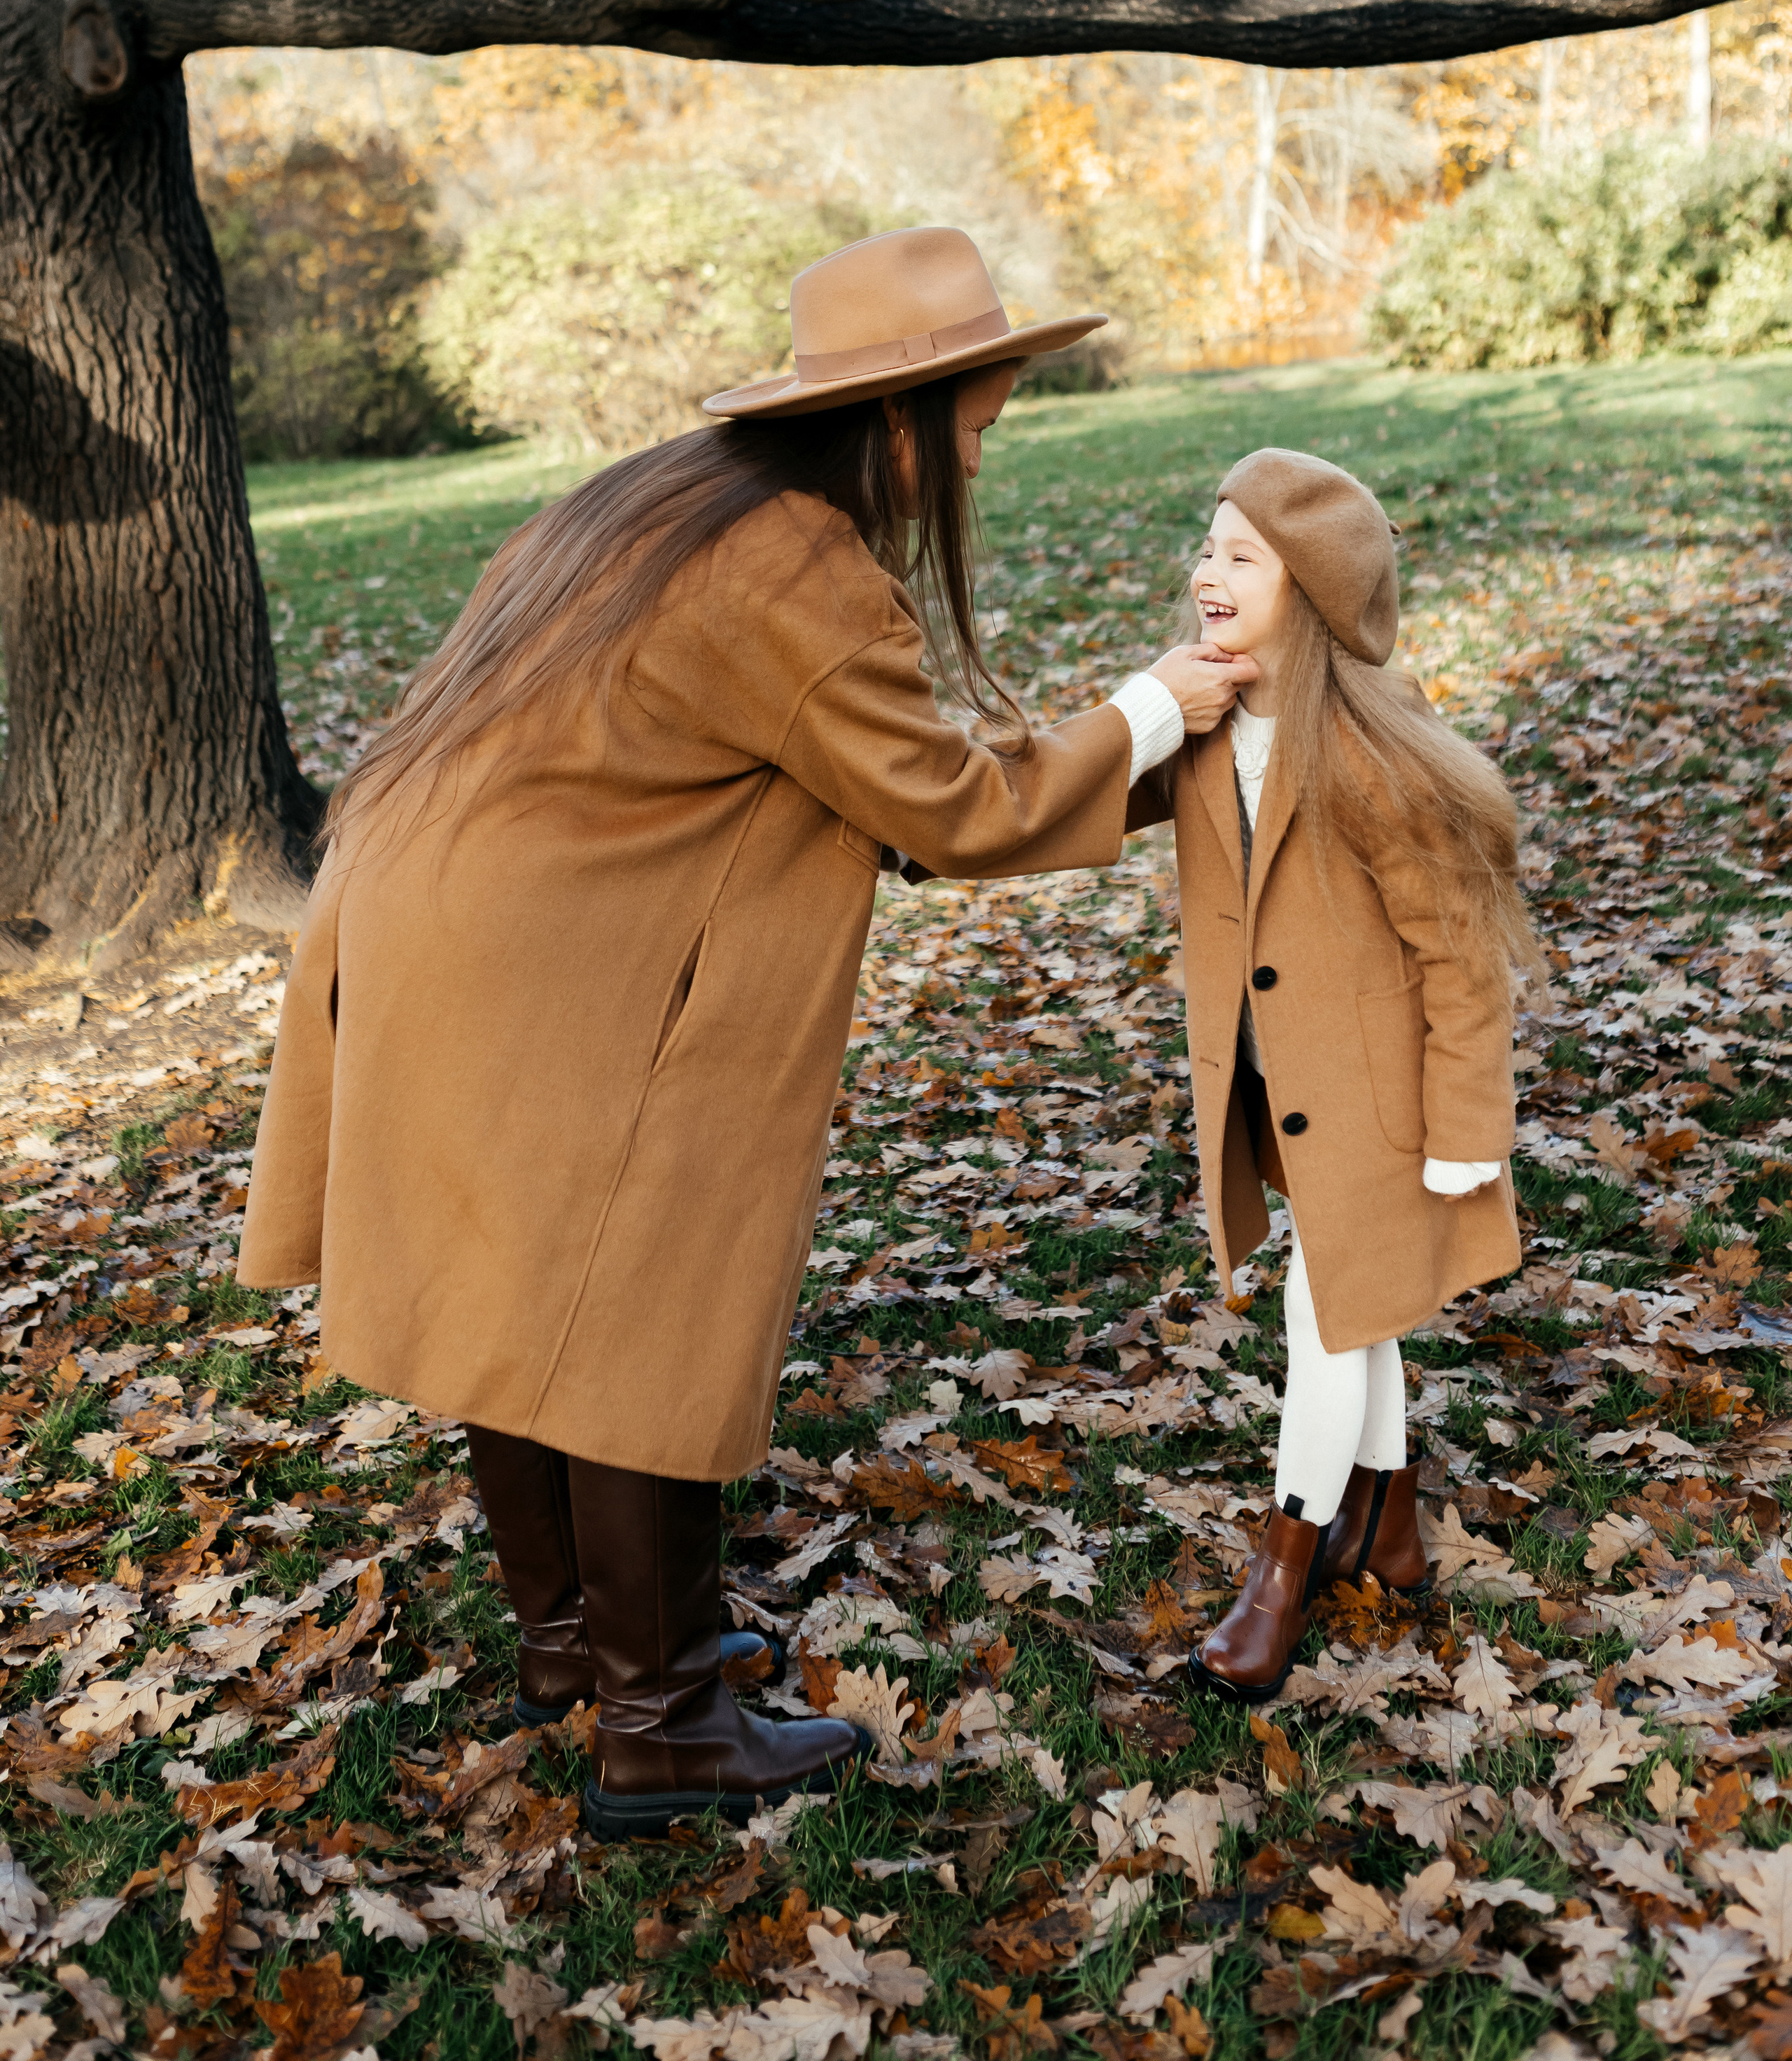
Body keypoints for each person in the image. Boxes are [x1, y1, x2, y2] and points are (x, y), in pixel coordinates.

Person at [239, 225, 1253, 1835]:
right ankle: (663, 1730)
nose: (976, 462)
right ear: (898, 415)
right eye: (975, 429)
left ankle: (578, 1642)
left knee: (523, 1284)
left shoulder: (660, 503)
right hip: (541, 946)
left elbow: (903, 796)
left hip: (430, 909)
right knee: (631, 1292)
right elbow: (948, 807)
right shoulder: (787, 559)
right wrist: (1156, 706)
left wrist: (1149, 771)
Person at [1126, 447, 1541, 1703]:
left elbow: (1464, 959)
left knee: (1326, 1325)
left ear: (1307, 594)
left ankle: (1283, 1570)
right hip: (1281, 1090)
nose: (1208, 573)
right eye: (1206, 547)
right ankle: (1395, 1527)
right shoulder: (1204, 730)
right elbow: (1077, 797)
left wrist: (1469, 1128)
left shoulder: (1368, 757)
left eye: (1241, 557)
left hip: (1379, 1097)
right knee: (1353, 1305)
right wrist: (1141, 708)